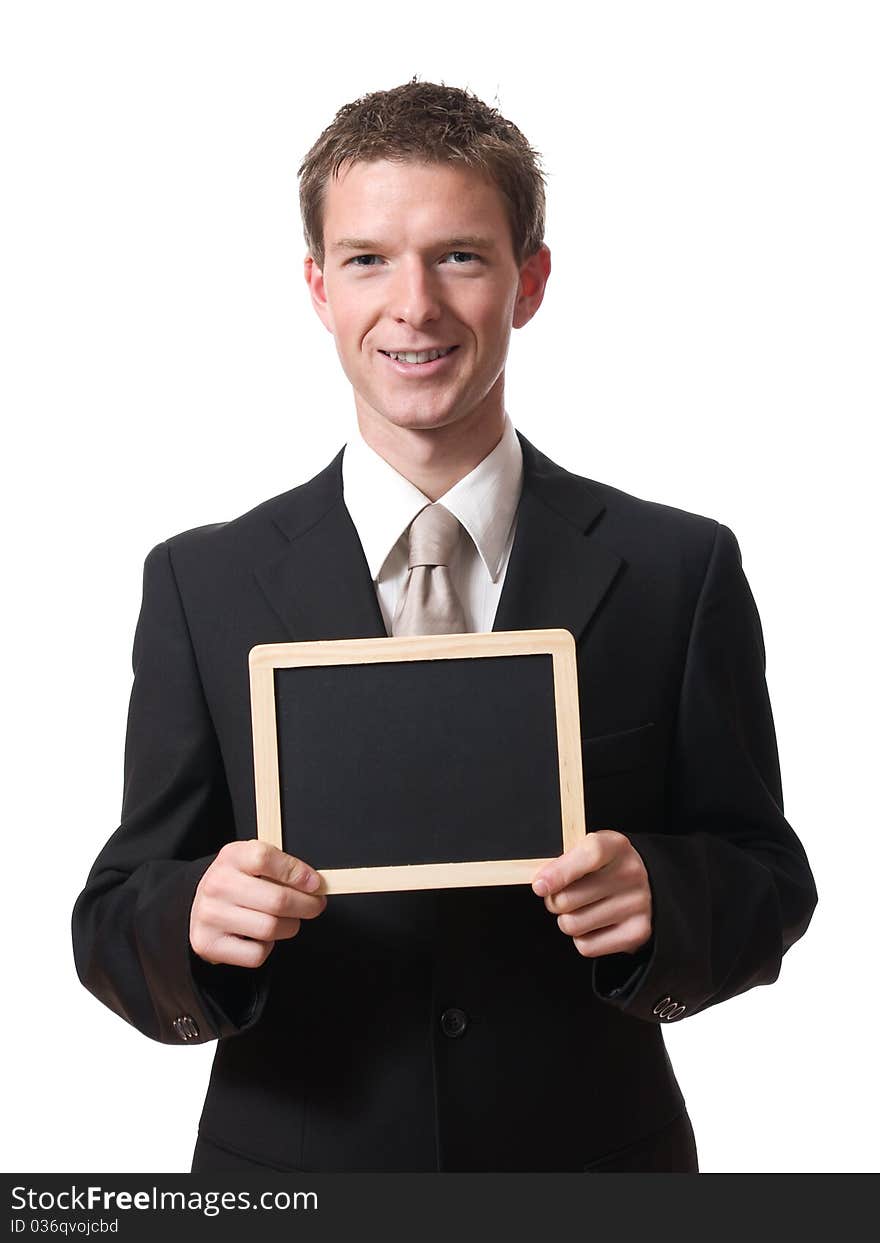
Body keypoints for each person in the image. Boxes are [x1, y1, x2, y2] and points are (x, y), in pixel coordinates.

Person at [71, 78, 818, 1174]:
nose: (412, 305)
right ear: (319, 288)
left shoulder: (677, 569)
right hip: (292, 1170)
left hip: (593, 1167)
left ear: (530, 282)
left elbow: (767, 877)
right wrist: (191, 915)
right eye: (368, 259)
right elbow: (113, 912)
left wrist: (663, 894)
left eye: (459, 256)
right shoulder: (203, 581)